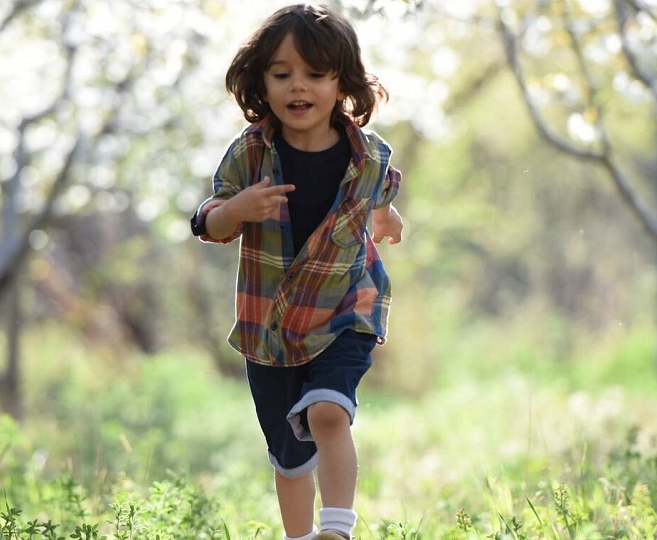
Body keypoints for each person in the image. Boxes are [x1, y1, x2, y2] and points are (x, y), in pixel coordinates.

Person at [190, 4, 404, 539]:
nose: (297, 86)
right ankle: (299, 535)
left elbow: (378, 195)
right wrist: (237, 210)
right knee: (289, 456)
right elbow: (207, 222)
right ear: (261, 81)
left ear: (342, 83)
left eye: (314, 73)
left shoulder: (369, 155)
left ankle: (336, 529)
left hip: (344, 308)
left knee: (328, 413)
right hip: (271, 326)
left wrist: (386, 217)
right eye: (282, 74)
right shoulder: (250, 154)